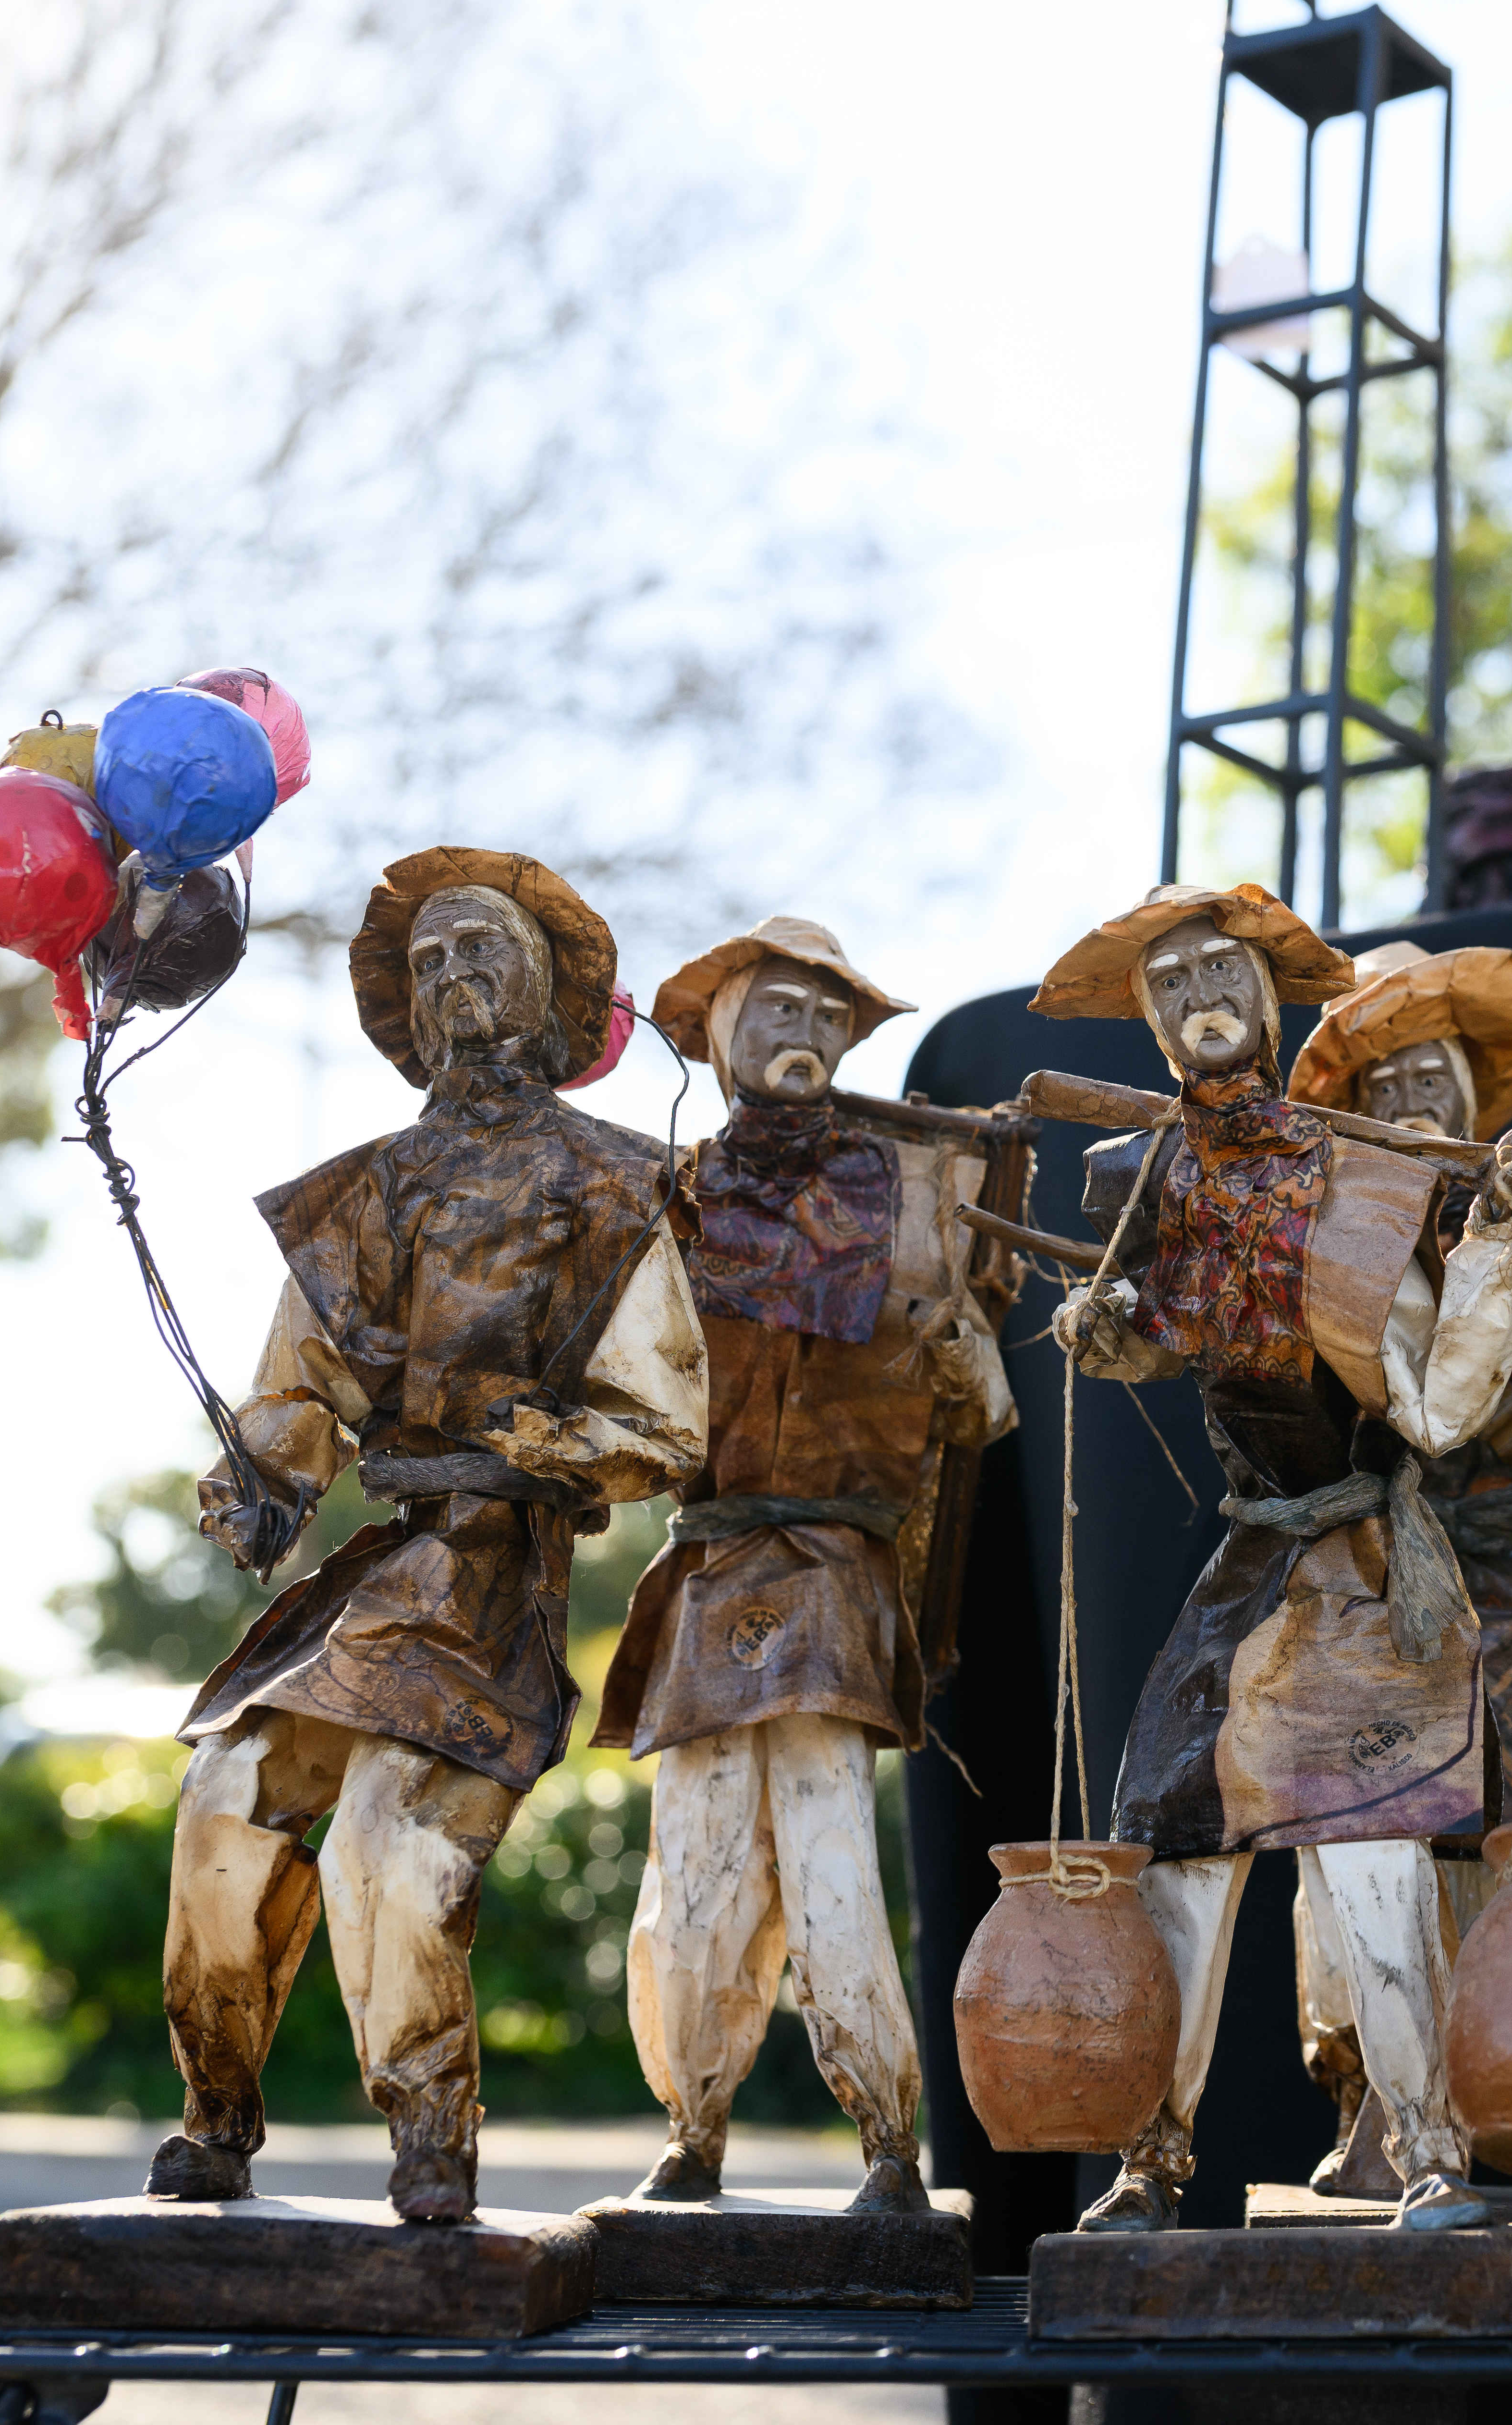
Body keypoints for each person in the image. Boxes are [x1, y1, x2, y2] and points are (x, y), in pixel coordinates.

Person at [159, 850, 707, 2222]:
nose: (456, 978)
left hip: (498, 1586)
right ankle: (215, 2121)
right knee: (225, 1803)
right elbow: (300, 1395)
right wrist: (259, 1480)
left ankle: (430, 2130)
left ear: (551, 987)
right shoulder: (367, 1192)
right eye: (431, 963)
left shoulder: (619, 1186)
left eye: (484, 951)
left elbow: (666, 1416)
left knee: (389, 1841)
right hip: (384, 1576)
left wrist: (563, 1445)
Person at [1033, 884, 1512, 2234]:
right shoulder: (1139, 1176)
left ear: (1273, 997)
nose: (1200, 998)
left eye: (1224, 972)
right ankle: (1149, 2166)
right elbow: (1159, 1332)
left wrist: (1500, 1254)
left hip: (1374, 1556)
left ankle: (1432, 2154)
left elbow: (1440, 1411)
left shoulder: (1371, 1175)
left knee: (1381, 1843)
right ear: (1149, 1021)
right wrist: (1104, 1329)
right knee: (1174, 1842)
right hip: (1258, 1558)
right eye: (1171, 984)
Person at [592, 915, 1019, 2209]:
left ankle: (891, 2140)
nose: (806, 1034)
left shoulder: (920, 1193)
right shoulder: (662, 1200)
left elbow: (979, 1409)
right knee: (696, 1862)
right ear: (720, 1034)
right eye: (777, 1009)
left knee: (833, 1852)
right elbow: (628, 1410)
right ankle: (695, 2128)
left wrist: (962, 1362)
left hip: (837, 1572)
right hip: (710, 1575)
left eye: (827, 1016)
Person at [1273, 939, 1512, 2198]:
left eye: (1440, 1071)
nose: (1419, 1093)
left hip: (1496, 1575)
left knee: (1494, 1830)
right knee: (1355, 1838)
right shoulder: (1321, 1224)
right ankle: (1373, 2097)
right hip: (1362, 1566)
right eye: (1393, 1076)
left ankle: (1494, 2093)